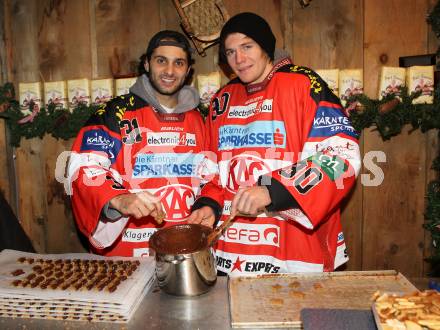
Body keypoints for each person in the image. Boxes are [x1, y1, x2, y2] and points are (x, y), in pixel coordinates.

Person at [188, 13, 361, 274]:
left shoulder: (304, 83)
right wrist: (208, 205)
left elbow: (341, 155)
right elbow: (210, 169)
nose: (239, 59)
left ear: (265, 47)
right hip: (230, 250)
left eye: (247, 47)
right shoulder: (221, 99)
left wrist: (273, 190)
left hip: (295, 248)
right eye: (231, 52)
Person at [67, 30, 206, 257]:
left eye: (178, 63)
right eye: (161, 61)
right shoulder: (114, 113)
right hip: (125, 254)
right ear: (147, 64)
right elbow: (83, 167)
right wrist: (118, 199)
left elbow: (213, 177)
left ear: (188, 70)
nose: (170, 71)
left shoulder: (200, 117)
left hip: (185, 253)